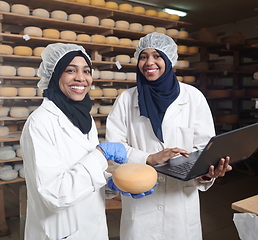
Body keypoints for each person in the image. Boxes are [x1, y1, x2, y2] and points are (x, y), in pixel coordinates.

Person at [105, 32, 232, 240]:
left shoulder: (193, 98)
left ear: (170, 60)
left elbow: (204, 149)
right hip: (141, 210)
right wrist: (147, 159)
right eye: (143, 57)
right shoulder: (126, 100)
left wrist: (208, 172)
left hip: (180, 209)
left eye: (157, 56)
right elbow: (114, 148)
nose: (149, 62)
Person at [20, 43, 127, 240]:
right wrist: (100, 155)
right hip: (59, 232)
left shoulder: (84, 118)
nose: (81, 78)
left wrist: (109, 185)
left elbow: (84, 174)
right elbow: (54, 194)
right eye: (70, 70)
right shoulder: (40, 122)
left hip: (92, 228)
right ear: (55, 75)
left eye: (86, 71)